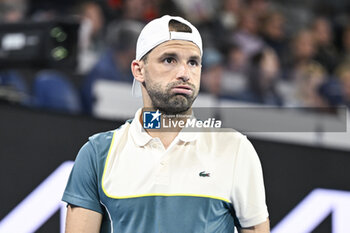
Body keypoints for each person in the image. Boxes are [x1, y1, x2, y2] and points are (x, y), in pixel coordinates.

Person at [62, 15, 270, 233]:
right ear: (138, 70)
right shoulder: (97, 154)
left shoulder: (235, 149)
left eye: (193, 62)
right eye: (169, 60)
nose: (184, 74)